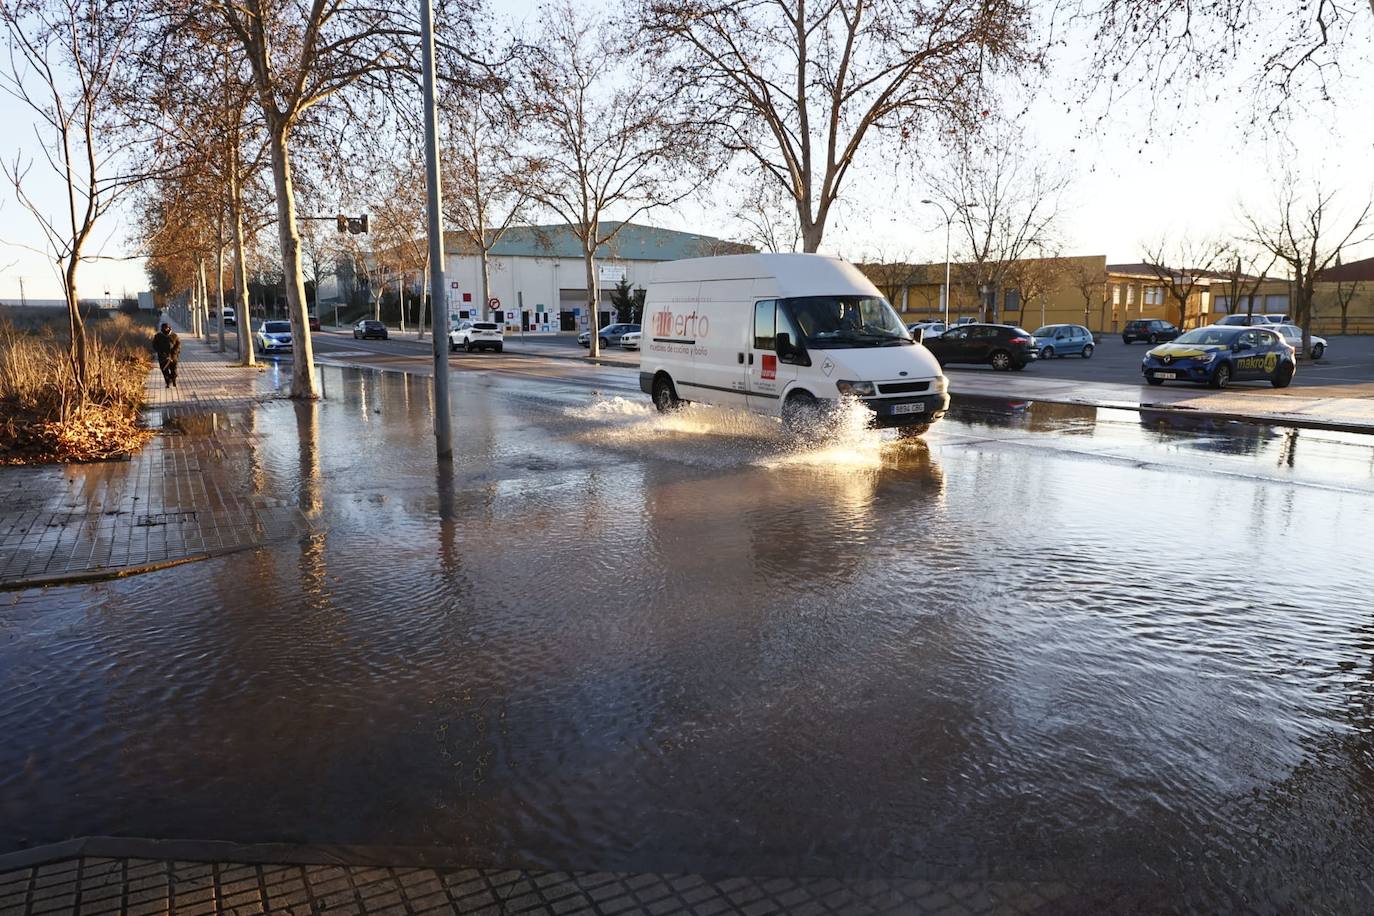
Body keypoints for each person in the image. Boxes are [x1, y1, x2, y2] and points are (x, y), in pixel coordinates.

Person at [152, 322, 181, 388]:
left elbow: (178, 345)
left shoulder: (174, 336)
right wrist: (160, 351)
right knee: (165, 371)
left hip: (173, 357)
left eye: (167, 328)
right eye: (164, 328)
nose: (165, 329)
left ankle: (173, 380)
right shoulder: (158, 336)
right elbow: (154, 345)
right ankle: (167, 383)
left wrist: (174, 352)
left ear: (169, 328)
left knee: (174, 371)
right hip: (162, 357)